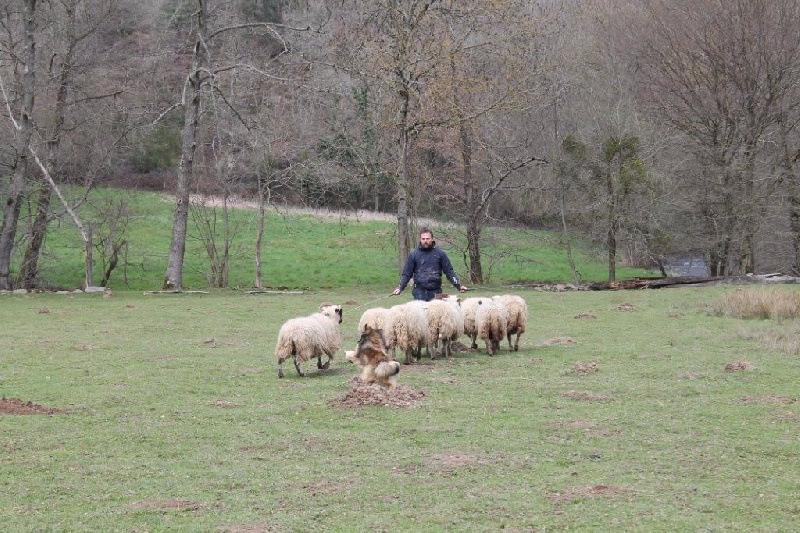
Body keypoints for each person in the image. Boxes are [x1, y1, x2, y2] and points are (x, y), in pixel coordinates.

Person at [392, 228, 468, 301]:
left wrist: (459, 286)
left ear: (432, 239)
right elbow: (406, 274)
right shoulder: (413, 255)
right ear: (420, 239)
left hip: (436, 291)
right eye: (423, 239)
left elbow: (449, 272)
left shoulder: (440, 254)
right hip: (419, 292)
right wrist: (400, 288)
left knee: (437, 314)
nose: (425, 241)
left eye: (427, 239)